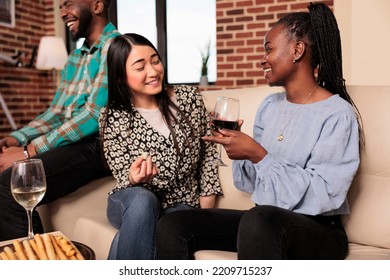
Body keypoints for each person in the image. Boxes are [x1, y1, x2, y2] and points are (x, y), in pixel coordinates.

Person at [156, 2, 362, 260]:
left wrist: (259, 155)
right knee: (174, 225)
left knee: (259, 218)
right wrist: (239, 153)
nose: (262, 59)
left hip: (318, 229)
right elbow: (253, 185)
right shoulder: (270, 105)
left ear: (297, 50)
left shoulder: (336, 113)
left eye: (269, 49)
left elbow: (325, 194)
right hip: (265, 221)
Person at [0, 0, 120, 241]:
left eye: (69, 4)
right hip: (74, 143)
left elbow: (94, 116)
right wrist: (16, 137)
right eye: (61, 6)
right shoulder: (76, 57)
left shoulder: (117, 47)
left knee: (10, 185)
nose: (63, 12)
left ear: (97, 5)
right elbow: (56, 112)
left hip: (101, 145)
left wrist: (27, 152)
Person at [98, 33, 222, 260]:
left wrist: (207, 207)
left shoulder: (189, 98)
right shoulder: (113, 116)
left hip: (180, 203)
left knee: (155, 229)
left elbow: (208, 153)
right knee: (144, 200)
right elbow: (122, 173)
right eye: (140, 66)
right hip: (130, 200)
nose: (153, 71)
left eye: (155, 60)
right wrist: (134, 178)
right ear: (120, 77)